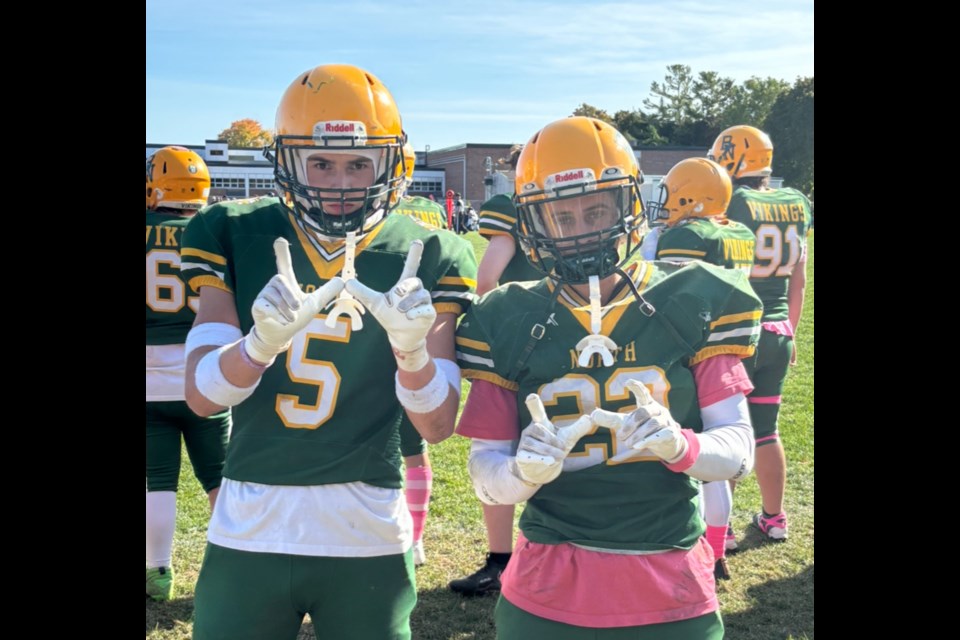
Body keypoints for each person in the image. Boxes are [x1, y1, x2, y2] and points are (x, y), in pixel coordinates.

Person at [181, 63, 477, 640]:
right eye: (321, 162)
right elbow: (200, 396)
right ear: (289, 161)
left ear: (389, 165)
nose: (339, 182)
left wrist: (413, 355)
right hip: (250, 519)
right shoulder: (233, 230)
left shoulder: (430, 251)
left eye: (357, 164)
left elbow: (438, 425)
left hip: (367, 524)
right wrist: (260, 343)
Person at [455, 116, 761, 638]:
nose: (582, 230)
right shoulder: (504, 317)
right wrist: (521, 473)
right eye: (562, 216)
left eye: (597, 210)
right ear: (535, 223)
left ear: (628, 206)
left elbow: (739, 449)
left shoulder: (691, 298)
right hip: (548, 578)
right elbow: (486, 475)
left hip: (669, 573)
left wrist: (681, 446)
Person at [645, 156, 757, 580]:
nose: (667, 201)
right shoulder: (738, 230)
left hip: (698, 344)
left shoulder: (689, 234)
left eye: (674, 193)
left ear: (691, 196)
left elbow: (663, 287)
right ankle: (719, 547)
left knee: (700, 451)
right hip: (743, 337)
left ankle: (706, 550)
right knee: (722, 454)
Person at [449, 144, 547, 596]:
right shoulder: (577, 204)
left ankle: (500, 560)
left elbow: (488, 279)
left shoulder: (511, 205)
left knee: (500, 449)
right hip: (575, 334)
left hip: (518, 339)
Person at [708, 125, 812, 546]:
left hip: (738, 331)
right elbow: (799, 281)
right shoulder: (797, 202)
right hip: (777, 329)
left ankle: (725, 525)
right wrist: (793, 330)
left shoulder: (734, 201)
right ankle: (775, 517)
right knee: (766, 430)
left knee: (727, 429)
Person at [145, 146, 230, 602]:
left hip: (149, 378)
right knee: (219, 475)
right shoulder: (216, 230)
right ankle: (233, 565)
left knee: (158, 478)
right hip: (207, 371)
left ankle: (158, 572)